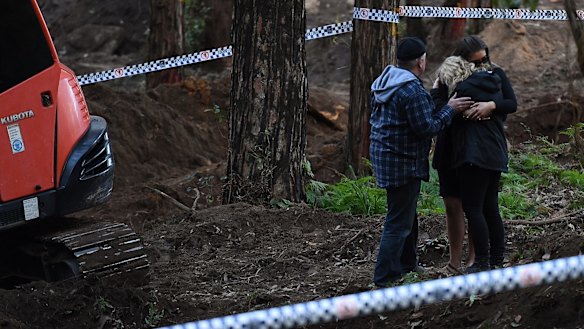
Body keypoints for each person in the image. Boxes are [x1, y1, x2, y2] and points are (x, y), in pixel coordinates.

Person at [369, 37, 473, 287]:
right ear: (421, 61)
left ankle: (407, 264)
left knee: (406, 214)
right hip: (402, 161)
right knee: (398, 221)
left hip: (386, 157)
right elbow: (426, 127)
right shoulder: (412, 90)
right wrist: (451, 108)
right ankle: (384, 278)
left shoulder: (386, 82)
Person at [432, 36, 518, 273]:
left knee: (475, 208)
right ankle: (469, 261)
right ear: (463, 61)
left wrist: (491, 106)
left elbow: (510, 103)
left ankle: (478, 261)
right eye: (477, 61)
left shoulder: (486, 78)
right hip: (460, 148)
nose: (483, 65)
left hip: (473, 149)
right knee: (474, 206)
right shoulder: (456, 78)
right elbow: (438, 109)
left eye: (485, 59)